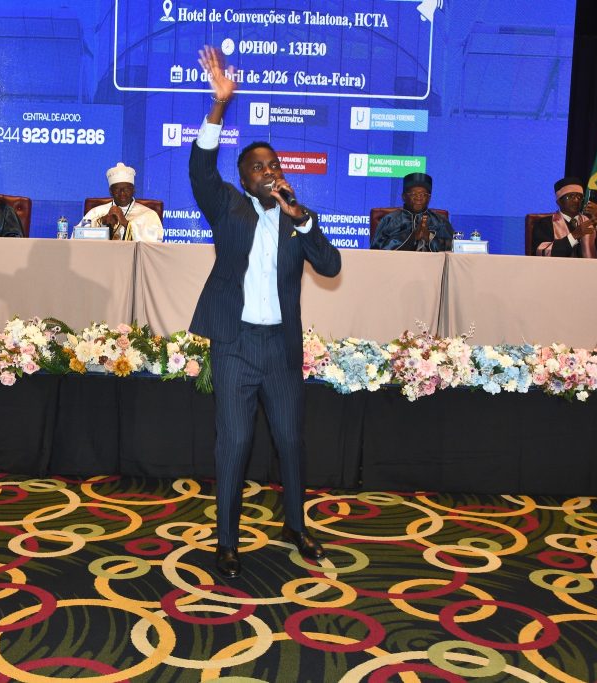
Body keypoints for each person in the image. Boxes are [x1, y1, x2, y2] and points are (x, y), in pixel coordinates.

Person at [189, 46, 342, 580]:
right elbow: (200, 168)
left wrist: (302, 219)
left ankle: (296, 526)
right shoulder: (226, 206)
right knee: (234, 443)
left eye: (274, 165)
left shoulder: (298, 217)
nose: (269, 171)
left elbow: (330, 265)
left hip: (280, 347)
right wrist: (218, 106)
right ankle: (227, 541)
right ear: (244, 176)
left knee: (291, 440)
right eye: (259, 167)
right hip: (234, 343)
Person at [531, 177, 597, 258]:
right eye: (571, 196)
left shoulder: (594, 223)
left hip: (590, 268)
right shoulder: (544, 224)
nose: (576, 200)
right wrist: (574, 235)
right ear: (559, 201)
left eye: (579, 197)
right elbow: (542, 252)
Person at [80, 162, 164, 242]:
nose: (122, 193)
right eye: (117, 190)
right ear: (111, 191)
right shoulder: (96, 212)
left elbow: (154, 242)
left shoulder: (149, 214)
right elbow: (79, 237)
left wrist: (126, 223)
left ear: (133, 190)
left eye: (126, 189)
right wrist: (102, 223)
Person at [370, 172, 453, 251]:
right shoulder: (389, 220)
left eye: (423, 194)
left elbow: (452, 248)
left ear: (429, 198)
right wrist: (412, 237)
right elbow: (376, 248)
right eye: (413, 194)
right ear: (403, 196)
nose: (418, 198)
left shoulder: (440, 221)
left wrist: (428, 236)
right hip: (398, 261)